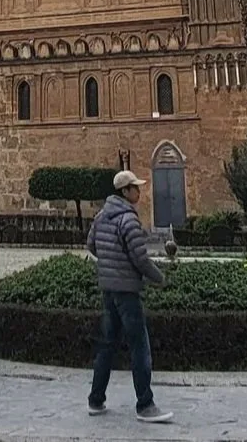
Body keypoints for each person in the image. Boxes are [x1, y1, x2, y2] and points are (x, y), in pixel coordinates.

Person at [88, 170, 170, 423]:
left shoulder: (101, 216)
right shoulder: (128, 219)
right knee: (139, 347)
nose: (139, 191)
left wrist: (110, 262)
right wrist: (160, 278)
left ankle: (96, 400)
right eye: (135, 187)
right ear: (125, 191)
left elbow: (92, 245)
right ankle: (145, 405)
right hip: (127, 292)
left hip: (108, 288)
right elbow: (140, 259)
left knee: (107, 344)